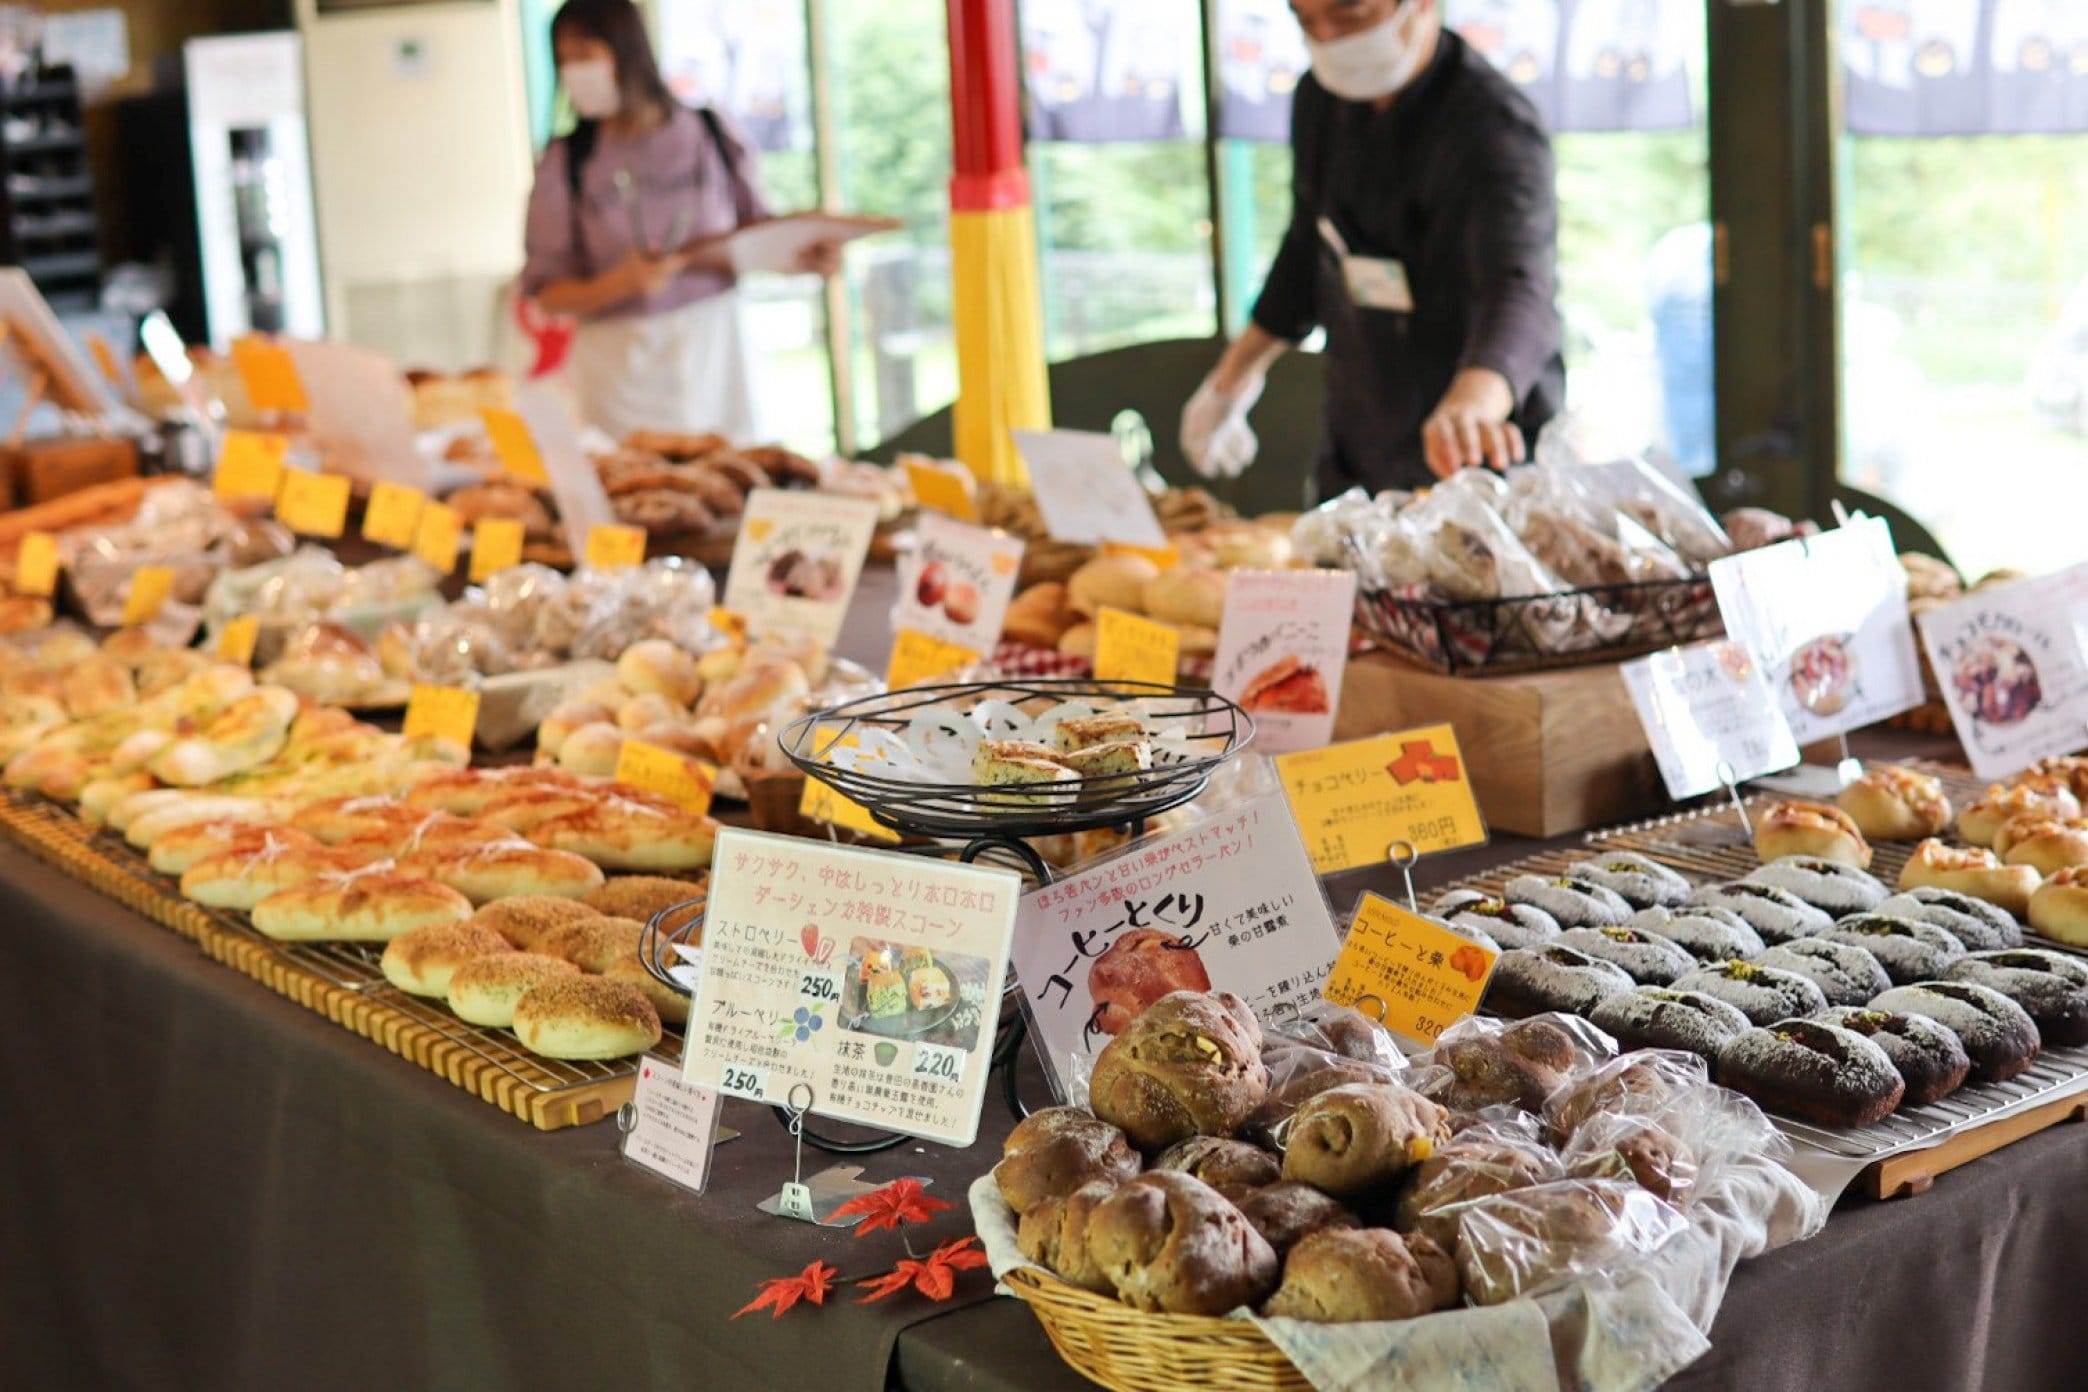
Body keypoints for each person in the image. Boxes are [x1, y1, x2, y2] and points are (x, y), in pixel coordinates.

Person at [1181, 0, 1565, 497]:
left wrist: (1473, 404)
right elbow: (1308, 245)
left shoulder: (1493, 123)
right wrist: (1233, 378)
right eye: (1307, 21)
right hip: (1362, 431)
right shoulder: (1321, 98)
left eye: (1350, 16)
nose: (1328, 37)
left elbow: (1519, 286)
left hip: (1473, 450)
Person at [519, 0, 840, 443]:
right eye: (565, 60)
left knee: (736, 468)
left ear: (627, 50)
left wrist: (803, 252)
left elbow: (754, 231)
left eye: (585, 54)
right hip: (620, 365)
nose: (576, 71)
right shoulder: (567, 160)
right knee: (639, 477)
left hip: (716, 347)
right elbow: (546, 293)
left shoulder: (708, 131)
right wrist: (621, 283)